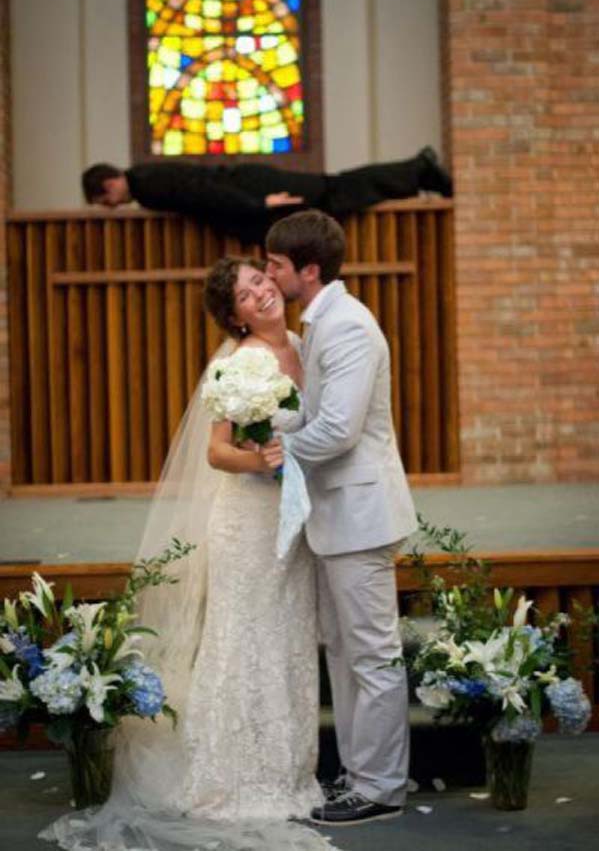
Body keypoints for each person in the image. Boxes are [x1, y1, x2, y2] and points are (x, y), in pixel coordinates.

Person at [40, 258, 335, 851]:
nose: (261, 292)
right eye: (246, 295)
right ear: (235, 316)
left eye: (261, 280)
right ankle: (230, 776)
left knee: (289, 638)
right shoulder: (239, 362)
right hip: (245, 520)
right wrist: (265, 462)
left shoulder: (306, 344)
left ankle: (288, 769)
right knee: (243, 637)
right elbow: (217, 452)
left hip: (292, 522)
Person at [263, 209, 418, 826]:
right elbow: (316, 417)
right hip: (337, 513)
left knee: (372, 655)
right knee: (343, 653)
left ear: (309, 268)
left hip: (360, 513)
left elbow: (339, 429)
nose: (270, 277)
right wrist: (273, 428)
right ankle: (359, 773)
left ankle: (381, 785)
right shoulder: (323, 321)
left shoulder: (349, 327)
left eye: (276, 266)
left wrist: (273, 453)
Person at [81, 148, 452, 244]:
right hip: (252, 188)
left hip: (255, 191)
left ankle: (417, 170)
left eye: (105, 202)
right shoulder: (147, 178)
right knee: (334, 191)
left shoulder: (148, 186)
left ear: (110, 185)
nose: (111, 208)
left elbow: (205, 194)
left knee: (334, 192)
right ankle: (415, 172)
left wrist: (259, 204)